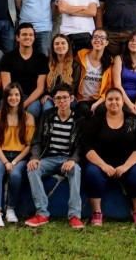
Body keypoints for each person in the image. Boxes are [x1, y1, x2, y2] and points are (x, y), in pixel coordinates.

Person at [82, 88, 136, 227]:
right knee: (91, 173)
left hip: (127, 162)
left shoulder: (132, 120)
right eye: (110, 99)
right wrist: (103, 165)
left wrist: (126, 166)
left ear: (123, 101)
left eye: (117, 99)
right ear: (105, 102)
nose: (114, 102)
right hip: (101, 162)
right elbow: (87, 146)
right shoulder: (96, 121)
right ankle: (97, 212)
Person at [25, 84, 85, 229]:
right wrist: (35, 157)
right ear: (54, 100)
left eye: (65, 98)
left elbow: (81, 146)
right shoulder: (47, 115)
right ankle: (42, 214)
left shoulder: (79, 119)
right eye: (58, 98)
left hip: (67, 159)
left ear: (71, 99)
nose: (62, 101)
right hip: (49, 158)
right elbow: (37, 141)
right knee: (32, 169)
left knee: (76, 170)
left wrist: (73, 160)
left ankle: (75, 215)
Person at [0, 83, 36, 227]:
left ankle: (10, 208)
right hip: (1, 155)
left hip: (19, 156)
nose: (13, 98)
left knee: (16, 175)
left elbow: (29, 146)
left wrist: (14, 162)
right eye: (10, 95)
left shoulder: (28, 117)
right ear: (5, 97)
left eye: (16, 95)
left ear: (21, 97)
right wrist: (5, 162)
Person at [0, 23, 48, 120]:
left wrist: (24, 104)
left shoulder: (41, 58)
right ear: (17, 38)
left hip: (32, 97)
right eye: (24, 35)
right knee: (3, 112)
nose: (28, 37)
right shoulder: (7, 58)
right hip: (12, 96)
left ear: (34, 38)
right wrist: (15, 100)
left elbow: (40, 88)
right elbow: (6, 86)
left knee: (32, 111)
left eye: (31, 35)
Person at [75, 28, 113, 117]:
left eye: (102, 38)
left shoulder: (109, 61)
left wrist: (97, 103)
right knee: (84, 110)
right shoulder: (81, 55)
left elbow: (109, 87)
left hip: (99, 100)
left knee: (101, 110)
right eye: (95, 37)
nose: (98, 40)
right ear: (91, 41)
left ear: (106, 43)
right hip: (82, 99)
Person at [41, 34, 81, 112]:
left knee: (71, 105)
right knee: (47, 107)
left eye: (63, 43)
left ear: (68, 45)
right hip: (50, 97)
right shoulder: (48, 62)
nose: (60, 46)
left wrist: (59, 98)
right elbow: (44, 85)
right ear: (53, 47)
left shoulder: (75, 65)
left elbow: (73, 87)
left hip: (68, 97)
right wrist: (51, 97)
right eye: (56, 44)